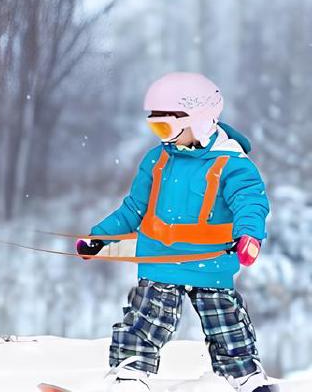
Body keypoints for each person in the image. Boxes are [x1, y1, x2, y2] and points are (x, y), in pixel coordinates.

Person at [77, 73, 276, 392]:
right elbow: (133, 209)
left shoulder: (233, 164)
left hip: (209, 262)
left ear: (198, 120)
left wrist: (249, 236)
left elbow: (250, 202)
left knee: (226, 324)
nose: (162, 137)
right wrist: (100, 238)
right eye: (155, 128)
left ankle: (244, 377)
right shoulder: (157, 160)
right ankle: (130, 375)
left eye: (166, 127)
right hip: (159, 260)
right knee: (145, 320)